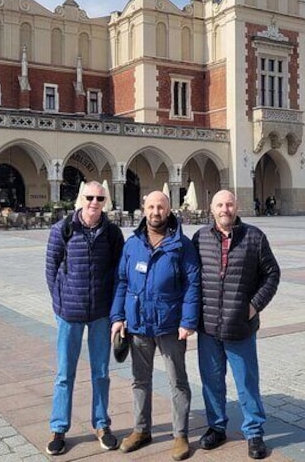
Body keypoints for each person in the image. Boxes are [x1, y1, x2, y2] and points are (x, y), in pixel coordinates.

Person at [110, 191, 200, 461]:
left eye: (161, 207)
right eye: (151, 207)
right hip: (138, 324)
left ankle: (180, 434)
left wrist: (188, 321)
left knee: (177, 381)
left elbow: (192, 285)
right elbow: (122, 282)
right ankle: (141, 430)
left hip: (171, 325)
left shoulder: (182, 245)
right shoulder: (132, 244)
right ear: (143, 209)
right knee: (140, 380)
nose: (155, 212)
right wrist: (117, 317)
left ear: (169, 210)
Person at [191, 190, 280, 460]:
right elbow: (192, 278)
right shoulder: (200, 238)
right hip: (208, 326)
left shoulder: (254, 237)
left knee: (246, 382)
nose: (225, 209)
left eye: (229, 204)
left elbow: (272, 274)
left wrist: (254, 306)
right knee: (211, 381)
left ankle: (254, 432)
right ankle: (216, 427)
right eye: (220, 204)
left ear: (236, 206)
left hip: (240, 325)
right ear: (211, 208)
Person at [45, 181, 124, 456]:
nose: (94, 202)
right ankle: (59, 428)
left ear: (105, 202)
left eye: (99, 198)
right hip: (70, 314)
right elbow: (51, 268)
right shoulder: (63, 229)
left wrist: (117, 311)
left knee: (101, 372)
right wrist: (60, 304)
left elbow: (119, 273)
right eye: (89, 197)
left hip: (101, 313)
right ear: (80, 199)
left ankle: (102, 425)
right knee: (65, 373)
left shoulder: (112, 233)